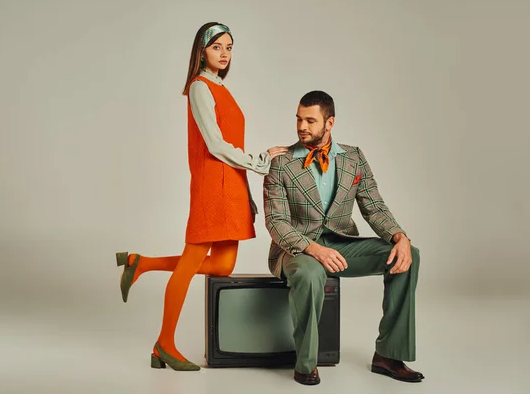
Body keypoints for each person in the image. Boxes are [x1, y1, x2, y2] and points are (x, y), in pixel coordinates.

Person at [115, 22, 287, 371]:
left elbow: (228, 146)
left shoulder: (221, 87)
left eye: (229, 47)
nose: (224, 53)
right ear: (201, 51)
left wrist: (249, 177)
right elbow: (215, 145)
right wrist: (261, 161)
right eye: (217, 47)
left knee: (222, 267)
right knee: (192, 260)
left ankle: (142, 263)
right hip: (215, 185)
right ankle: (164, 344)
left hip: (232, 183)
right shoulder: (199, 87)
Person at [263, 90, 424, 385]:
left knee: (408, 255)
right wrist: (312, 248)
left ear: (330, 123)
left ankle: (389, 354)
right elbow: (276, 222)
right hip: (296, 249)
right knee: (311, 273)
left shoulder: (353, 158)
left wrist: (400, 236)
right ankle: (305, 364)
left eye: (310, 120)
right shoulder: (281, 163)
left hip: (340, 244)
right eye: (299, 119)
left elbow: (373, 206)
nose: (302, 126)